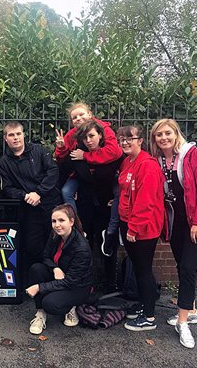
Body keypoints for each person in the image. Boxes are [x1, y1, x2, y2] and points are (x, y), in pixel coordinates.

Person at [150, 118, 197, 349]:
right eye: (159, 135)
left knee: (189, 268)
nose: (164, 138)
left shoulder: (192, 155)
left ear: (176, 133)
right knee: (182, 266)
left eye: (168, 133)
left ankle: (183, 323)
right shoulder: (158, 159)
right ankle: (191, 311)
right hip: (176, 223)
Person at [117, 125, 164, 332]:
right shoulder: (127, 161)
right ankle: (144, 305)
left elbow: (146, 201)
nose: (125, 142)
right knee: (138, 267)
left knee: (144, 269)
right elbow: (128, 191)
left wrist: (134, 228)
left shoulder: (148, 165)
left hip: (143, 228)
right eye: (122, 139)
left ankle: (150, 317)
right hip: (128, 222)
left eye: (130, 139)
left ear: (140, 140)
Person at [0, 121, 61, 277]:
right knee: (33, 246)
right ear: (6, 138)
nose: (16, 138)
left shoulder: (39, 151)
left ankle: (57, 280)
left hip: (50, 205)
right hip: (29, 209)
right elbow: (7, 188)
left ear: (23, 135)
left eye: (18, 134)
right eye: (11, 135)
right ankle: (39, 280)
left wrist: (39, 193)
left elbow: (52, 171)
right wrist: (25, 196)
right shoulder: (4, 162)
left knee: (55, 242)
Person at [71, 121, 123, 292]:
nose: (88, 140)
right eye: (85, 138)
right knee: (85, 245)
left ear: (100, 135)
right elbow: (65, 171)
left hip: (106, 208)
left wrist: (118, 199)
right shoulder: (78, 155)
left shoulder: (113, 157)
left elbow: (123, 179)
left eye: (92, 136)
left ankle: (110, 284)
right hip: (85, 207)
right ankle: (87, 284)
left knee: (108, 245)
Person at [25, 204, 93, 335]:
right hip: (60, 277)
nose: (57, 225)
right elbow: (45, 256)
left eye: (61, 220)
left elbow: (71, 282)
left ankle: (72, 307)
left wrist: (39, 287)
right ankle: (40, 314)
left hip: (77, 287)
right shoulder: (56, 234)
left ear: (71, 221)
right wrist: (55, 268)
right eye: (54, 221)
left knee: (50, 303)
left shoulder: (81, 248)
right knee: (36, 269)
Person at [54, 103, 121, 213]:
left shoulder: (104, 129)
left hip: (107, 172)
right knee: (66, 192)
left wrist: (85, 156)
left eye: (81, 114)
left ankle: (112, 228)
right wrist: (61, 147)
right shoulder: (71, 134)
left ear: (90, 114)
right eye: (74, 117)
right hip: (81, 174)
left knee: (118, 193)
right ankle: (74, 225)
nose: (78, 118)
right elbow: (61, 159)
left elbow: (113, 151)